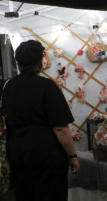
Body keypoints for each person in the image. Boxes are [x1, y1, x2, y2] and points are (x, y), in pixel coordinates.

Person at [1, 40, 80, 201]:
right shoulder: (47, 86)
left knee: (25, 194)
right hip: (45, 153)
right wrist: (72, 155)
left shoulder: (8, 85)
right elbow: (60, 128)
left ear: (19, 62)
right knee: (50, 195)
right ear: (40, 61)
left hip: (17, 150)